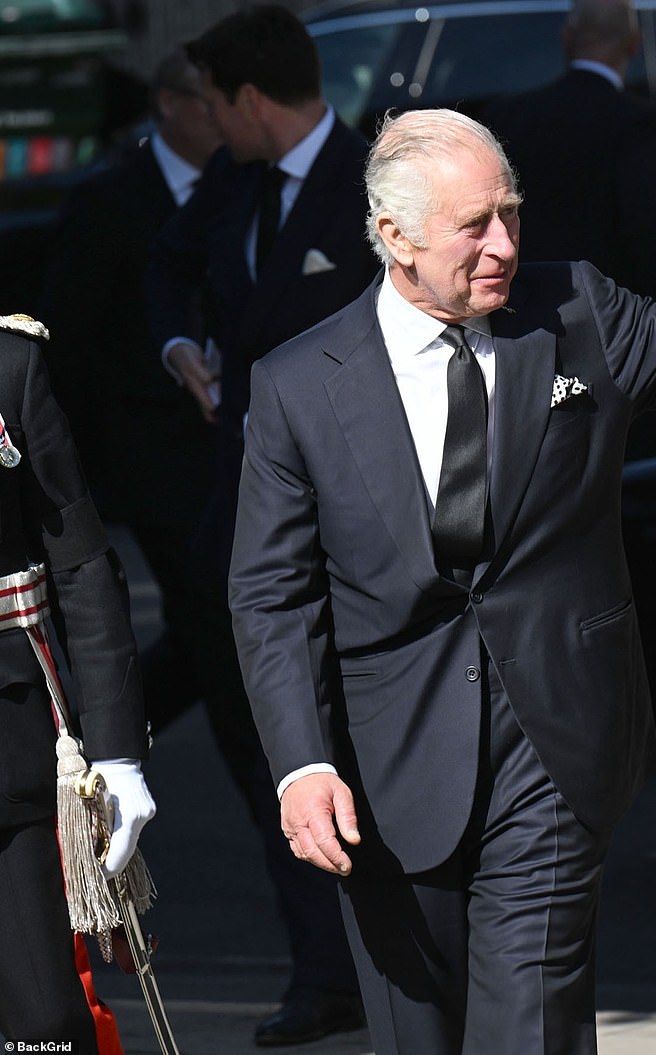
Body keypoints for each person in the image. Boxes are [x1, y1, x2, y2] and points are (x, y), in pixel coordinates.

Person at [228, 103, 656, 1053]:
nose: (503, 243)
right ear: (394, 237)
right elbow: (271, 595)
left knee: (531, 1029)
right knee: (418, 1036)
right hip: (386, 769)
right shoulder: (296, 385)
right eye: (473, 224)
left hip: (555, 741)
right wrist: (303, 761)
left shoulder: (578, 312)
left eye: (511, 213)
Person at [145, 5, 375, 1045]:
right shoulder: (233, 190)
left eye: (213, 104)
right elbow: (167, 266)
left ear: (246, 100)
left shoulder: (373, 184)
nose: (203, 125)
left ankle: (376, 962)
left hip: (355, 527)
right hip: (243, 517)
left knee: (359, 745)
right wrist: (179, 344)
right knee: (272, 753)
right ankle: (321, 968)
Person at [40, 48, 222, 735]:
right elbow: (72, 341)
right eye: (209, 100)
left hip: (231, 443)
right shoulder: (110, 200)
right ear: (169, 104)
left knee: (211, 631)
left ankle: (104, 736)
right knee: (214, 623)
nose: (224, 115)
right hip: (152, 454)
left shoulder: (241, 184)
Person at [0, 316, 154, 1052]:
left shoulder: (9, 365)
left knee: (49, 1024)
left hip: (9, 750)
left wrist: (117, 751)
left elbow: (81, 563)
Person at [484, 0, 656, 455]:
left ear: (567, 39)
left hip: (526, 328)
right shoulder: (637, 121)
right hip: (614, 334)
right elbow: (651, 233)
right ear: (634, 45)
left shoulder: (512, 115)